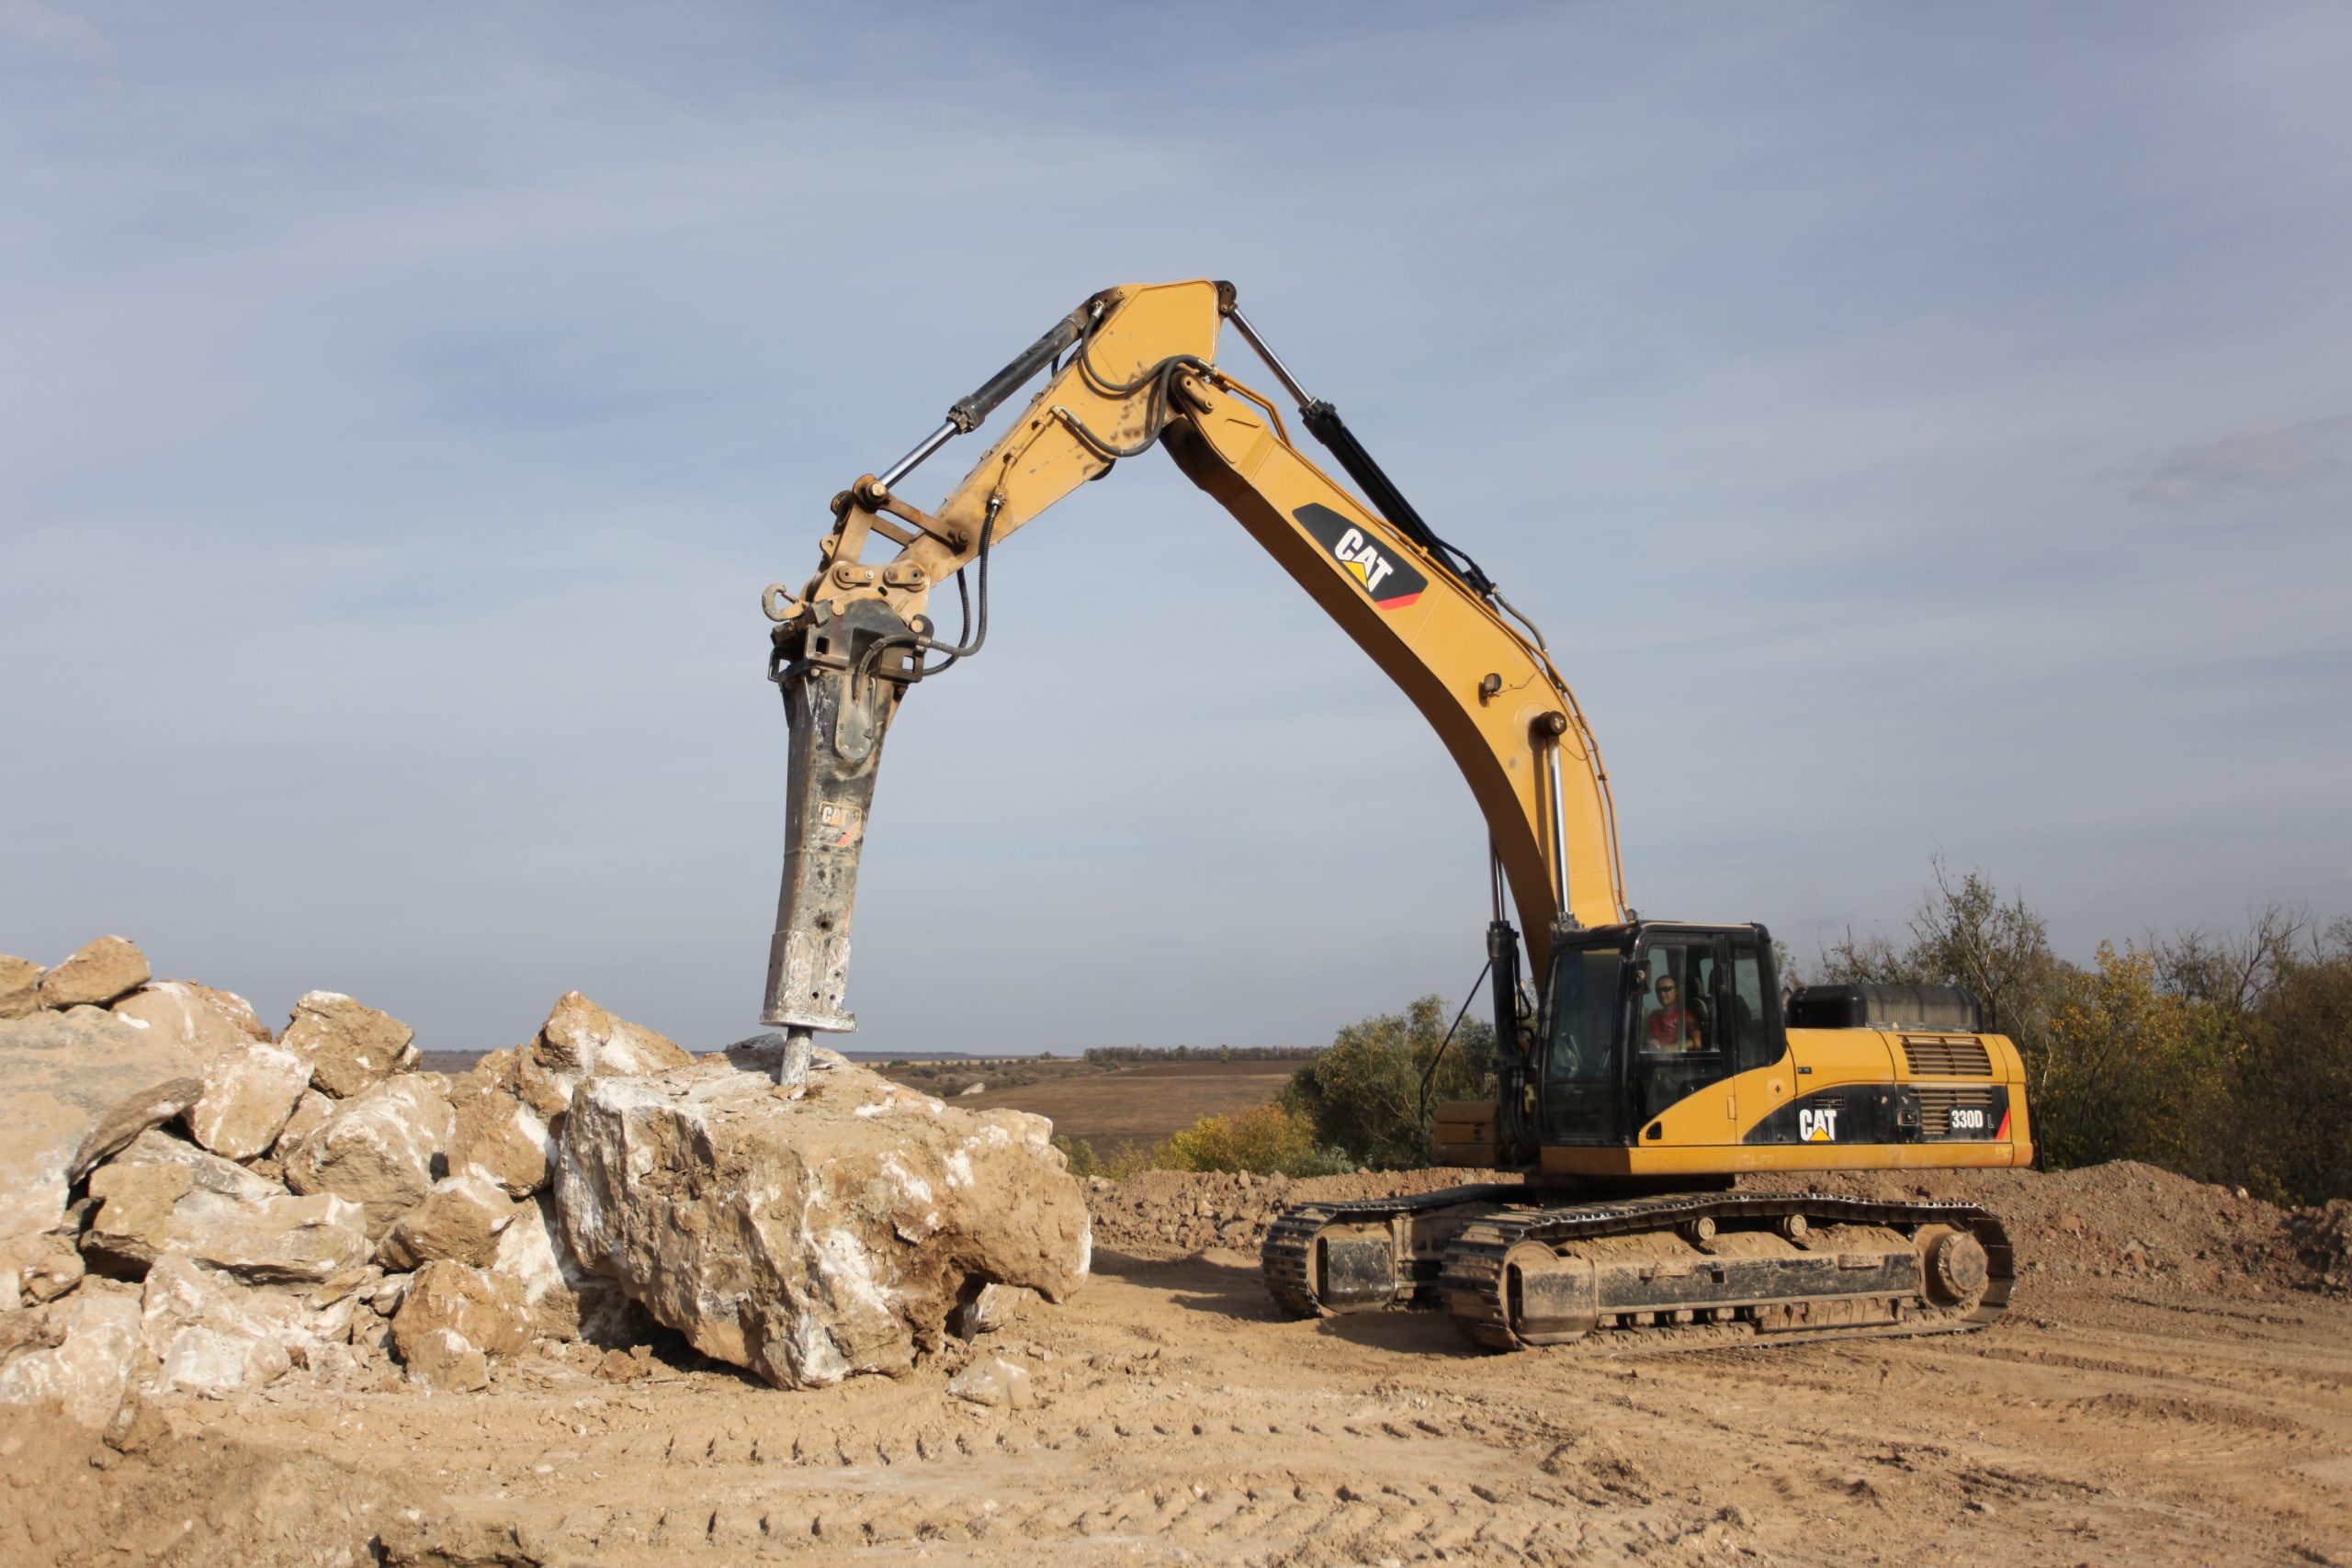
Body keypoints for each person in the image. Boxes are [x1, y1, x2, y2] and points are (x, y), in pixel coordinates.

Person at [1645, 973, 1704, 1052]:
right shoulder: (1653, 1017)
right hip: (1655, 1059)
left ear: (1677, 991)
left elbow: (1698, 1041)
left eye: (1667, 989)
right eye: (1658, 991)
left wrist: (1670, 1049)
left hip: (1677, 1061)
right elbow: (1646, 1038)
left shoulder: (1686, 1016)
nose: (1662, 994)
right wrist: (1651, 1043)